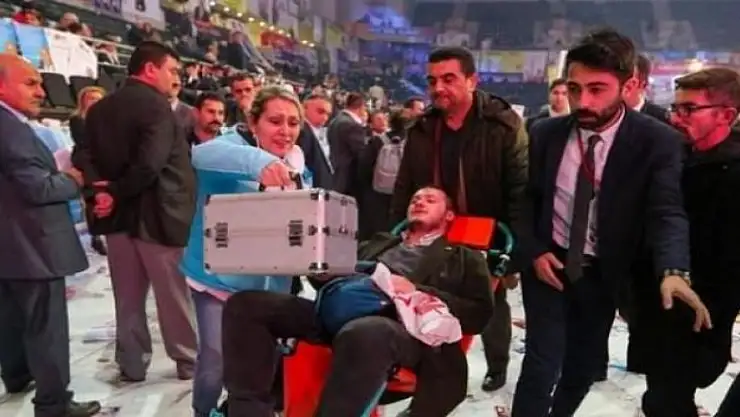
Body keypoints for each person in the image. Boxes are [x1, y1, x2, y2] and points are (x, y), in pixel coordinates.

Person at [510, 28, 711, 417]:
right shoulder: (545, 133)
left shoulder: (657, 140)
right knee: (541, 362)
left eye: (597, 89)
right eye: (574, 88)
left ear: (628, 86)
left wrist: (673, 270)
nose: (582, 101)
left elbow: (666, 210)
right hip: (548, 266)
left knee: (583, 366)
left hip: (605, 274)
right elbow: (526, 199)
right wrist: (533, 251)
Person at [221, 186, 493, 417]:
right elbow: (331, 282)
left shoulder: (463, 258)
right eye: (415, 199)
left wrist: (415, 290)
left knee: (367, 332)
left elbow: (480, 314)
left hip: (401, 327)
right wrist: (321, 270)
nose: (419, 202)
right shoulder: (378, 243)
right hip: (339, 310)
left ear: (449, 215)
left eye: (430, 200)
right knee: (247, 305)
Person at [389, 46, 527, 394]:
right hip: (435, 230)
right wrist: (395, 236)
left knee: (491, 303)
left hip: (487, 230)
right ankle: (428, 370)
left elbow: (520, 190)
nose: (438, 88)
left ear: (472, 80)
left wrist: (513, 254)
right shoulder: (423, 127)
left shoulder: (502, 124)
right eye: (432, 81)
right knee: (425, 298)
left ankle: (497, 364)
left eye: (449, 79)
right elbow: (405, 185)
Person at [72, 41, 198, 383]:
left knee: (126, 297)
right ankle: (187, 360)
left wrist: (102, 192)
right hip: (158, 214)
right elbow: (150, 165)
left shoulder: (99, 109)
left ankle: (132, 363)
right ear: (150, 69)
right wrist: (114, 191)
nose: (175, 78)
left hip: (116, 217)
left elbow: (83, 156)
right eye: (171, 70)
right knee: (173, 295)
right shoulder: (157, 107)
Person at [182, 86, 306, 417]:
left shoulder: (297, 162)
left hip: (268, 287)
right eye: (275, 121)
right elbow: (200, 155)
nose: (285, 131)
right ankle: (203, 411)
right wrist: (260, 161)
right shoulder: (227, 148)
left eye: (293, 123)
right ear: (253, 122)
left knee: (262, 363)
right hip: (217, 281)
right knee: (216, 360)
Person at [0, 53, 101, 417]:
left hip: (10, 245)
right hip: (33, 244)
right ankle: (54, 404)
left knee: (11, 318)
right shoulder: (10, 129)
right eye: (30, 83)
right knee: (46, 327)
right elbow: (38, 188)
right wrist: (71, 179)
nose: (41, 91)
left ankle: (17, 376)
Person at [638, 68, 740, 417]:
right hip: (660, 298)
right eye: (675, 107)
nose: (676, 118)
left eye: (689, 109)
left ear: (726, 115)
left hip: (706, 310)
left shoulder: (734, 173)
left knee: (666, 400)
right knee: (661, 396)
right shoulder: (672, 156)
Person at [68, 85, 107, 256]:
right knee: (92, 197)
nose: (95, 102)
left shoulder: (109, 120)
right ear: (83, 101)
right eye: (91, 98)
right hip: (86, 161)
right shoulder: (77, 119)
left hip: (104, 160)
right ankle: (96, 236)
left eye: (98, 99)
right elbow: (84, 142)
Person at [327, 91, 368, 197]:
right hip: (348, 178)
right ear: (361, 107)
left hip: (335, 173)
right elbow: (361, 153)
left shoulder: (335, 121)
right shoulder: (352, 125)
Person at [298, 93, 333, 189]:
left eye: (328, 114)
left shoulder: (317, 131)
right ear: (304, 108)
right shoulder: (302, 132)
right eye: (320, 111)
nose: (325, 117)